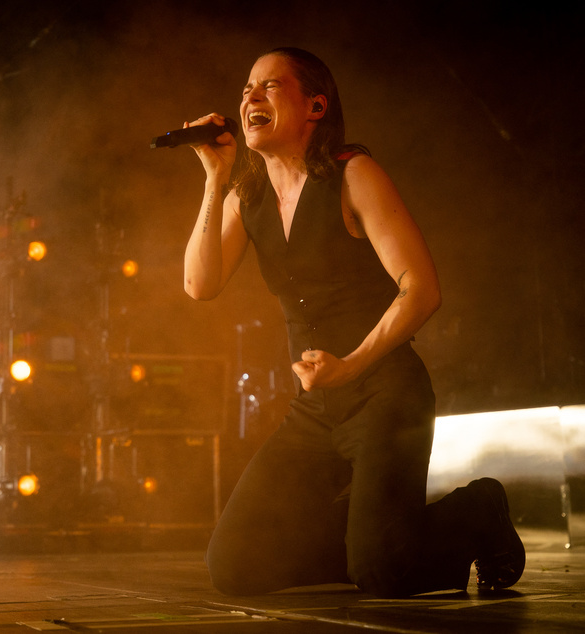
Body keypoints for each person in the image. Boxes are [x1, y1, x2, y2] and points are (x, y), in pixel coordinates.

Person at [182, 47, 524, 598]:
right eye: (247, 87)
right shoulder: (247, 197)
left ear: (316, 105)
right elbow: (200, 286)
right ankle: (375, 544)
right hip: (316, 411)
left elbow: (422, 289)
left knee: (384, 575)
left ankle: (476, 512)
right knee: (235, 566)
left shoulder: (352, 174)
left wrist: (351, 366)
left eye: (271, 86)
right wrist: (213, 178)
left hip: (385, 397)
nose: (250, 96)